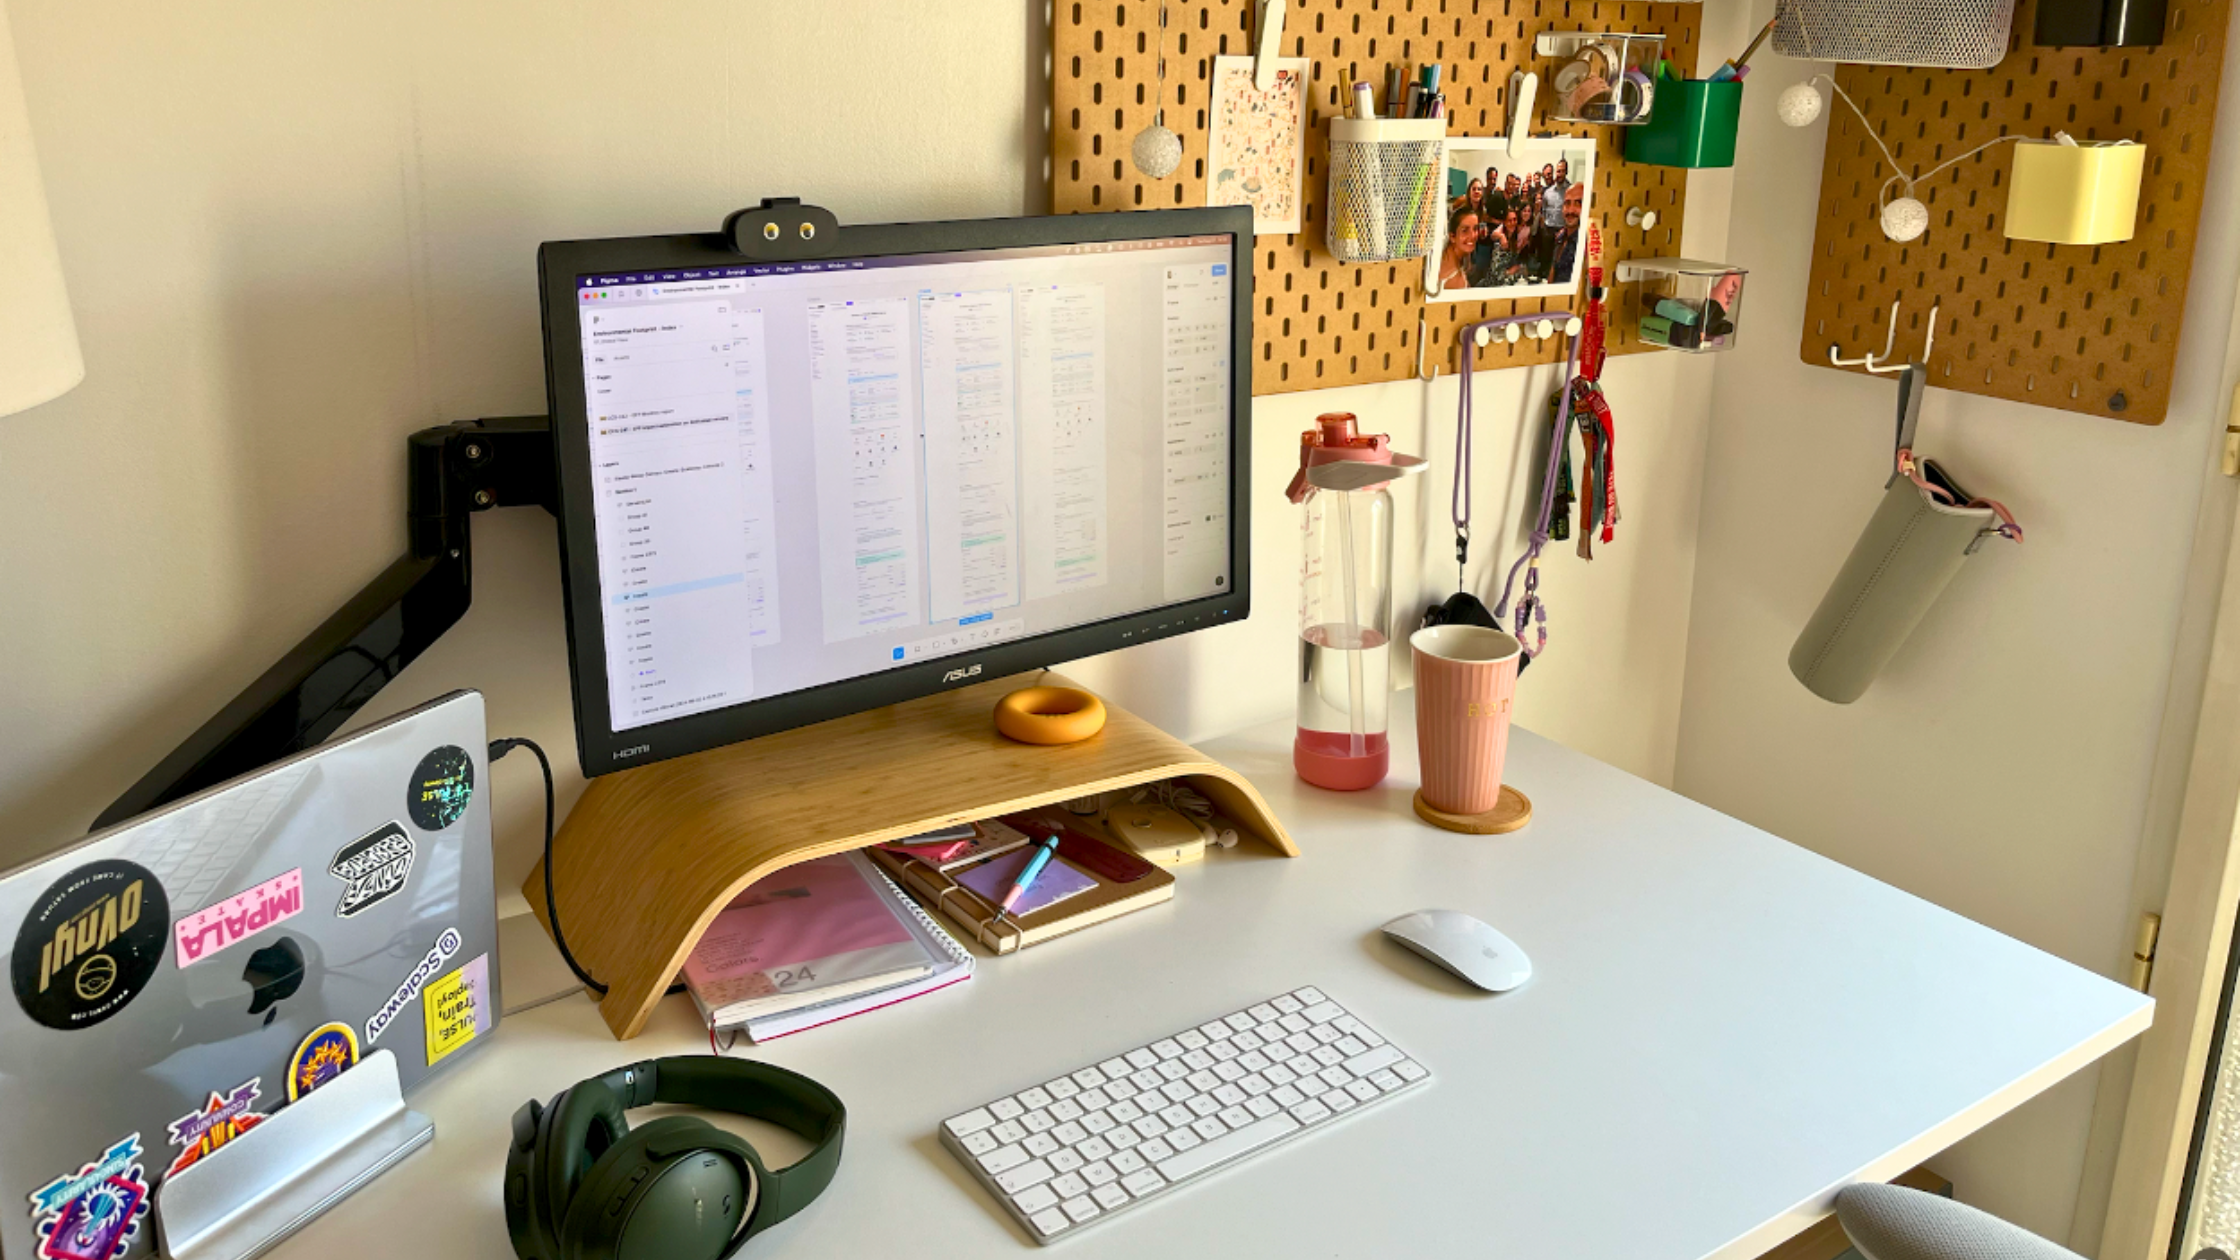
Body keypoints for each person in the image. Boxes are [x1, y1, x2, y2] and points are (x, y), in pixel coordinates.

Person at [1549, 182, 1586, 285]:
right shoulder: (1560, 237)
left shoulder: (1585, 244)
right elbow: (1553, 269)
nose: (1571, 210)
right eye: (1567, 203)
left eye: (1578, 203)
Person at [1440, 209, 1486, 290]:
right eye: (1465, 231)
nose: (1472, 236)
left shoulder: (1453, 255)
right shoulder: (1454, 280)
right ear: (1452, 237)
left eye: (1475, 229)